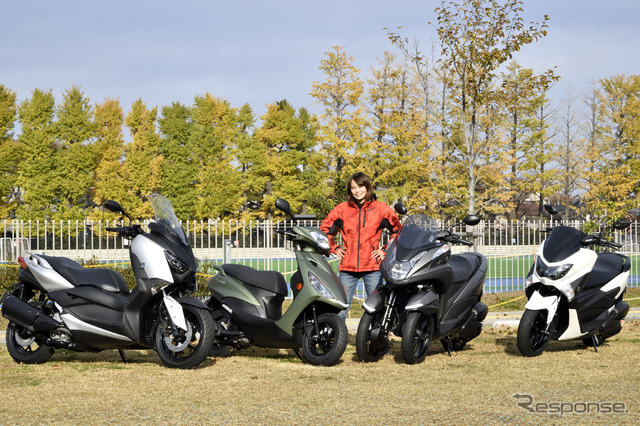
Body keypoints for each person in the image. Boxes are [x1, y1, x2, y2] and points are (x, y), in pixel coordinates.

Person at [320, 172, 402, 321]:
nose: (357, 191)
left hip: (373, 268)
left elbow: (398, 231)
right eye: (353, 188)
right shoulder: (342, 209)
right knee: (341, 307)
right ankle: (336, 341)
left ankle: (379, 343)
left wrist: (385, 250)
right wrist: (335, 248)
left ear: (367, 187)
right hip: (347, 268)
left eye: (360, 186)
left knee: (376, 308)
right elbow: (324, 229)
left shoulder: (381, 209)